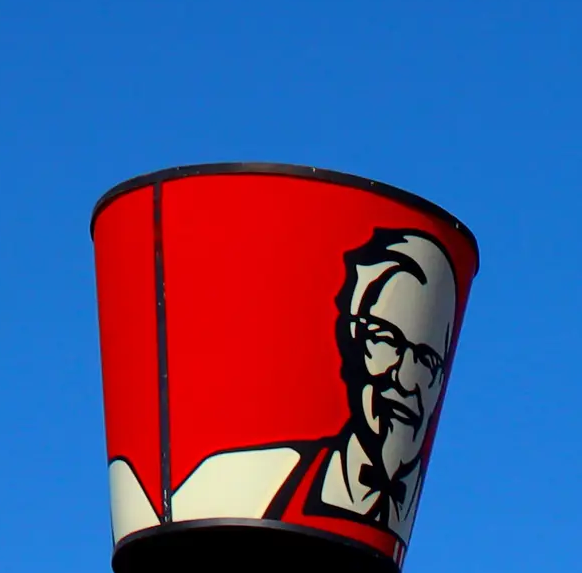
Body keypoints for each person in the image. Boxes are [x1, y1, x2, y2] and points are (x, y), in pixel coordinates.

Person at [151, 228, 463, 545]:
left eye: (427, 360)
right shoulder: (249, 479)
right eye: (386, 340)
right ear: (352, 342)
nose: (406, 378)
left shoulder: (442, 519)